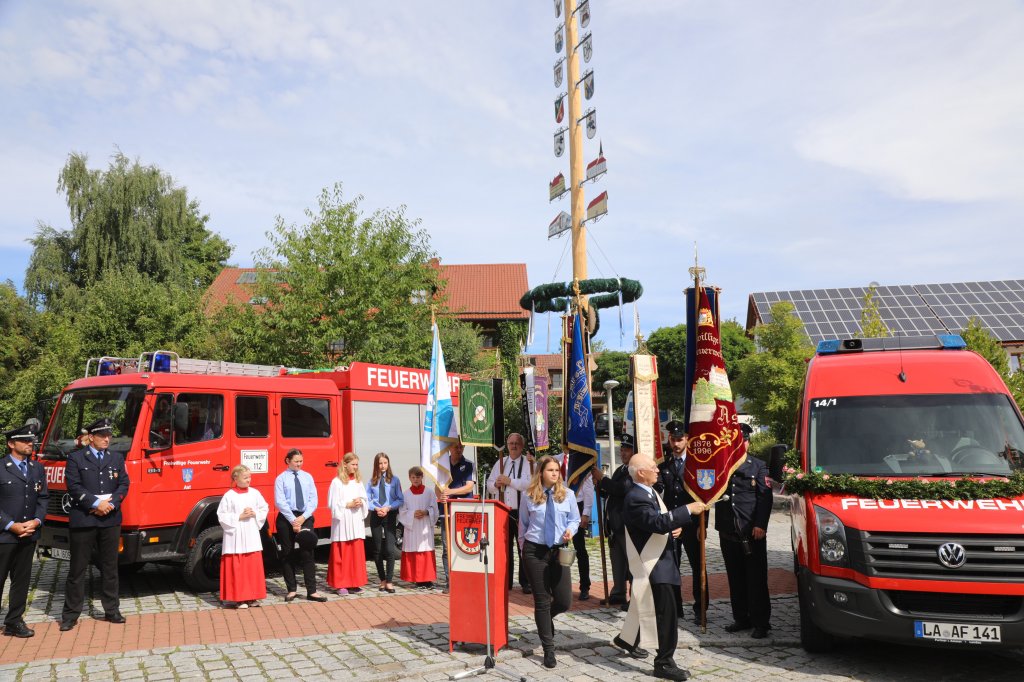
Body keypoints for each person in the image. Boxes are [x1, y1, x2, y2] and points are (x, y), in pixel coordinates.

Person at [617, 454, 705, 681]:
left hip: (660, 560)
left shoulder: (648, 491)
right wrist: (687, 510)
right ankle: (664, 663)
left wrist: (674, 528)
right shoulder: (636, 496)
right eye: (653, 467)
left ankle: (628, 639)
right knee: (667, 615)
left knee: (646, 606)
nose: (657, 470)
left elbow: (661, 520)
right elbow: (655, 523)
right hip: (653, 564)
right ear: (640, 473)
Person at [60, 417, 131, 631]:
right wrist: (94, 503)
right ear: (91, 437)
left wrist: (112, 503)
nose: (107, 439)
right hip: (85, 518)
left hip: (110, 517)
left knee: (110, 567)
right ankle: (70, 614)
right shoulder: (76, 458)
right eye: (102, 435)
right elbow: (73, 485)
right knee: (78, 569)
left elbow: (124, 483)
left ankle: (112, 609)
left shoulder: (116, 458)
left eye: (109, 435)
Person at [518, 455, 580, 669]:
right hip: (535, 552)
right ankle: (548, 649)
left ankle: (544, 620)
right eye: (550, 470)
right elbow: (523, 526)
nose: (555, 473)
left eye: (557, 470)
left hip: (559, 551)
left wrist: (570, 530)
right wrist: (523, 550)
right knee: (542, 601)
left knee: (564, 601)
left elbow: (575, 519)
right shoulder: (528, 496)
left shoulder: (568, 495)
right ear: (541, 473)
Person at [715, 455, 773, 639]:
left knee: (756, 580)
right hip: (728, 530)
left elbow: (765, 498)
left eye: (744, 441)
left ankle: (761, 623)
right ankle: (741, 618)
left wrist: (761, 524)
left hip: (751, 531)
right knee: (735, 578)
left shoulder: (758, 465)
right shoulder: (721, 463)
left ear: (747, 443)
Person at [656, 420, 706, 624]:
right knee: (671, 567)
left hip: (692, 524)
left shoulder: (697, 464)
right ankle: (675, 608)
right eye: (673, 439)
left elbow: (705, 498)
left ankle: (700, 609)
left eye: (679, 439)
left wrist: (703, 526)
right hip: (671, 524)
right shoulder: (663, 465)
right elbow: (659, 495)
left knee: (698, 567)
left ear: (687, 440)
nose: (676, 444)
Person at [0, 424, 47, 638]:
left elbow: (43, 498)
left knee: (22, 580)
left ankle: (14, 621)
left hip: (29, 533)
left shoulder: (37, 468)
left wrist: (36, 521)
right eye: (25, 441)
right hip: (5, 534)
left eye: (31, 440)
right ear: (11, 444)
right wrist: (11, 525)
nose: (30, 444)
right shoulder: (1, 467)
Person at [273, 449, 327, 602]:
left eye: (301, 461)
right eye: (296, 461)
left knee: (307, 553)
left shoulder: (307, 477)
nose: (299, 464)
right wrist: (293, 520)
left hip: (305, 516)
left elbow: (313, 499)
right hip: (286, 517)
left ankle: (312, 591)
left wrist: (302, 518)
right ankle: (291, 589)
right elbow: (280, 501)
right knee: (287, 552)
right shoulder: (281, 479)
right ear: (288, 461)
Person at [592, 431, 635, 608]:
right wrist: (600, 486)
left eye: (627, 450)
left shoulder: (634, 470)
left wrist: (603, 479)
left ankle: (635, 598)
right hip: (614, 525)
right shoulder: (621, 469)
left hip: (626, 524)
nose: (623, 452)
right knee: (617, 561)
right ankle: (618, 592)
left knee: (631, 563)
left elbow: (621, 489)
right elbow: (611, 491)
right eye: (622, 449)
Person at [217, 465, 269, 608]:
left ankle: (252, 596)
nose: (248, 480)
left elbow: (264, 507)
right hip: (236, 536)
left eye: (250, 477)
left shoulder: (255, 493)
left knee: (252, 566)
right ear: (236, 478)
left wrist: (255, 513)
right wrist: (239, 516)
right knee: (238, 567)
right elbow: (221, 515)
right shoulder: (229, 495)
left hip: (251, 534)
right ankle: (239, 598)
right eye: (245, 477)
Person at [486, 432, 532, 592]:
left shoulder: (528, 463)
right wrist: (496, 484)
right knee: (505, 548)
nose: (513, 446)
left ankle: (526, 582)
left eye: (516, 443)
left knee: (523, 547)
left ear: (522, 446)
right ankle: (507, 581)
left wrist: (510, 481)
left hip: (522, 511)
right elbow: (489, 485)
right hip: (504, 511)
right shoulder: (501, 462)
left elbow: (530, 484)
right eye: (511, 443)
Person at [553, 446, 595, 600]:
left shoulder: (581, 462)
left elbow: (588, 488)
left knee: (580, 549)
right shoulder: (555, 460)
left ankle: (585, 586)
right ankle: (557, 585)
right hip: (558, 505)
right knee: (558, 547)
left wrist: (586, 513)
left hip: (577, 505)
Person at [327, 453, 368, 595]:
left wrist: (360, 502)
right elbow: (332, 504)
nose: (356, 467)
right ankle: (341, 584)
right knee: (342, 554)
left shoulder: (358, 481)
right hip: (343, 522)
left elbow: (364, 498)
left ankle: (354, 582)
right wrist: (348, 504)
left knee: (355, 554)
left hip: (355, 520)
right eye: (353, 464)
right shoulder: (336, 482)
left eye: (357, 465)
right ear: (345, 464)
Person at [436, 438, 474, 593]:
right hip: (447, 511)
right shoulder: (442, 466)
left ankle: (465, 578)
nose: (459, 449)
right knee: (447, 547)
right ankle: (449, 580)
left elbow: (469, 487)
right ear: (449, 448)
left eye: (461, 447)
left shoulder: (469, 465)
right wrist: (441, 495)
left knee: (464, 546)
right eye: (456, 447)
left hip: (463, 511)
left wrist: (450, 492)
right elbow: (437, 487)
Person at [367, 452, 404, 593]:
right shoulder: (371, 482)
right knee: (377, 549)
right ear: (376, 465)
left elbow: (400, 499)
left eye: (385, 463)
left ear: (388, 464)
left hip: (389, 514)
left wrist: (388, 507)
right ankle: (382, 579)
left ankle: (389, 581)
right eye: (380, 463)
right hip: (376, 514)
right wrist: (376, 508)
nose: (382, 466)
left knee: (389, 548)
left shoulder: (395, 480)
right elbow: (367, 499)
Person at [398, 466, 438, 588]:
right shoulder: (405, 494)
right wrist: (412, 513)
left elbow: (434, 509)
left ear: (422, 477)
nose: (416, 479)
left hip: (425, 526)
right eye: (413, 477)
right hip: (413, 527)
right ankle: (416, 578)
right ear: (409, 478)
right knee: (414, 550)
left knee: (425, 549)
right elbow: (402, 512)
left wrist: (426, 512)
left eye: (418, 477)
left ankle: (427, 579)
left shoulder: (429, 492)